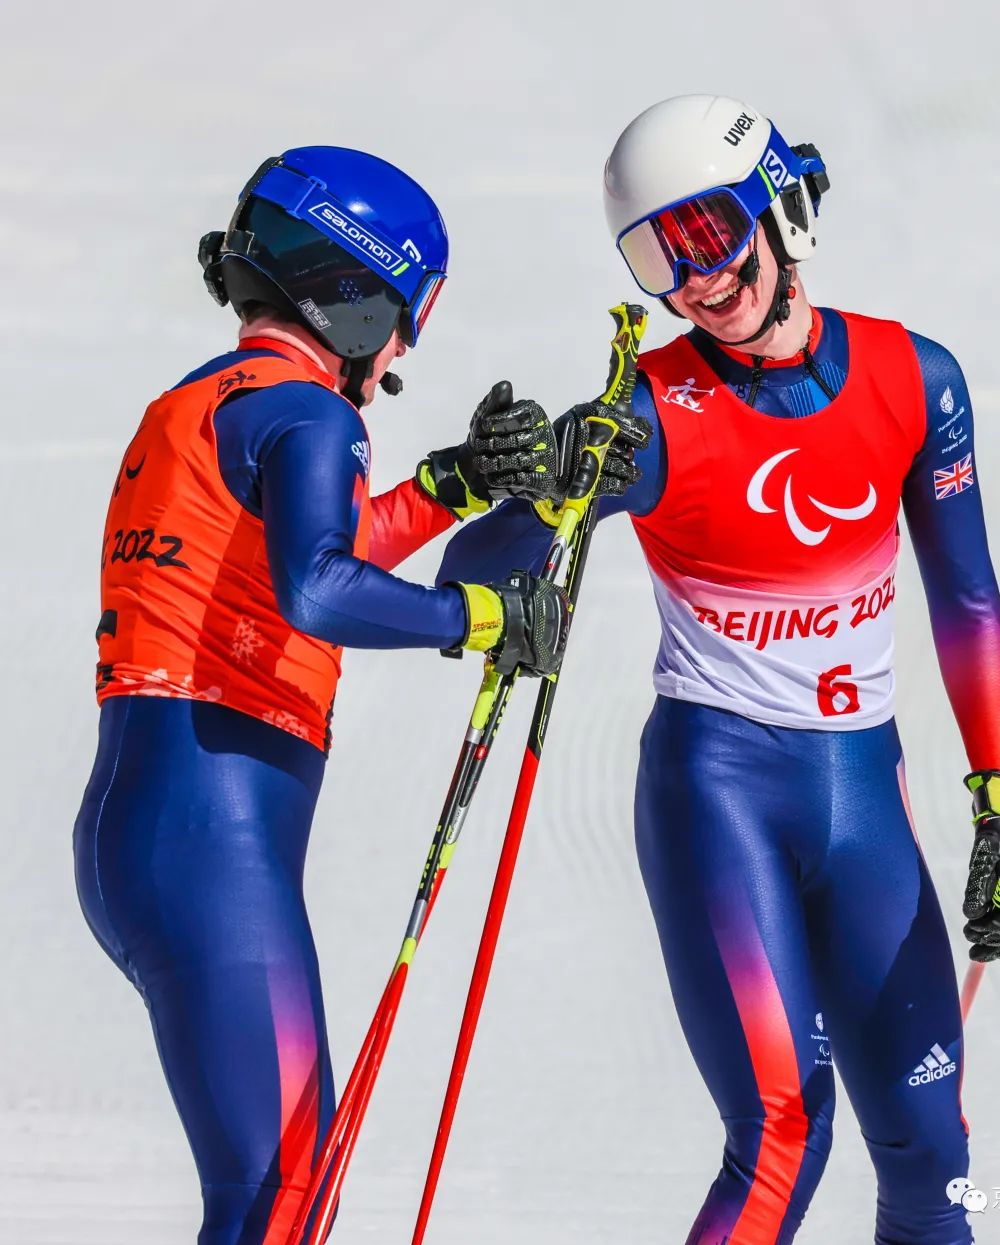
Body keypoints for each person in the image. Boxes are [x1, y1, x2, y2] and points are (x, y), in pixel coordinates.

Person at [437, 96, 1000, 1244]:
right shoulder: (650, 410)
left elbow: (968, 601)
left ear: (782, 208)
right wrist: (544, 480)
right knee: (782, 1135)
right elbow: (467, 576)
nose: (699, 281)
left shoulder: (916, 376)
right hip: (718, 794)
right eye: (658, 258)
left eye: (711, 233)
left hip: (862, 796)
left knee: (935, 1158)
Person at [73, 145, 573, 1244]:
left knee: (279, 1189)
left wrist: (448, 486)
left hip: (150, 820)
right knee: (284, 1193)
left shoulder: (206, 401)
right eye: (406, 316)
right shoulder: (312, 414)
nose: (399, 355)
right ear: (351, 294)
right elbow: (317, 585)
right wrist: (481, 618)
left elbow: (304, 554)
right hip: (211, 827)